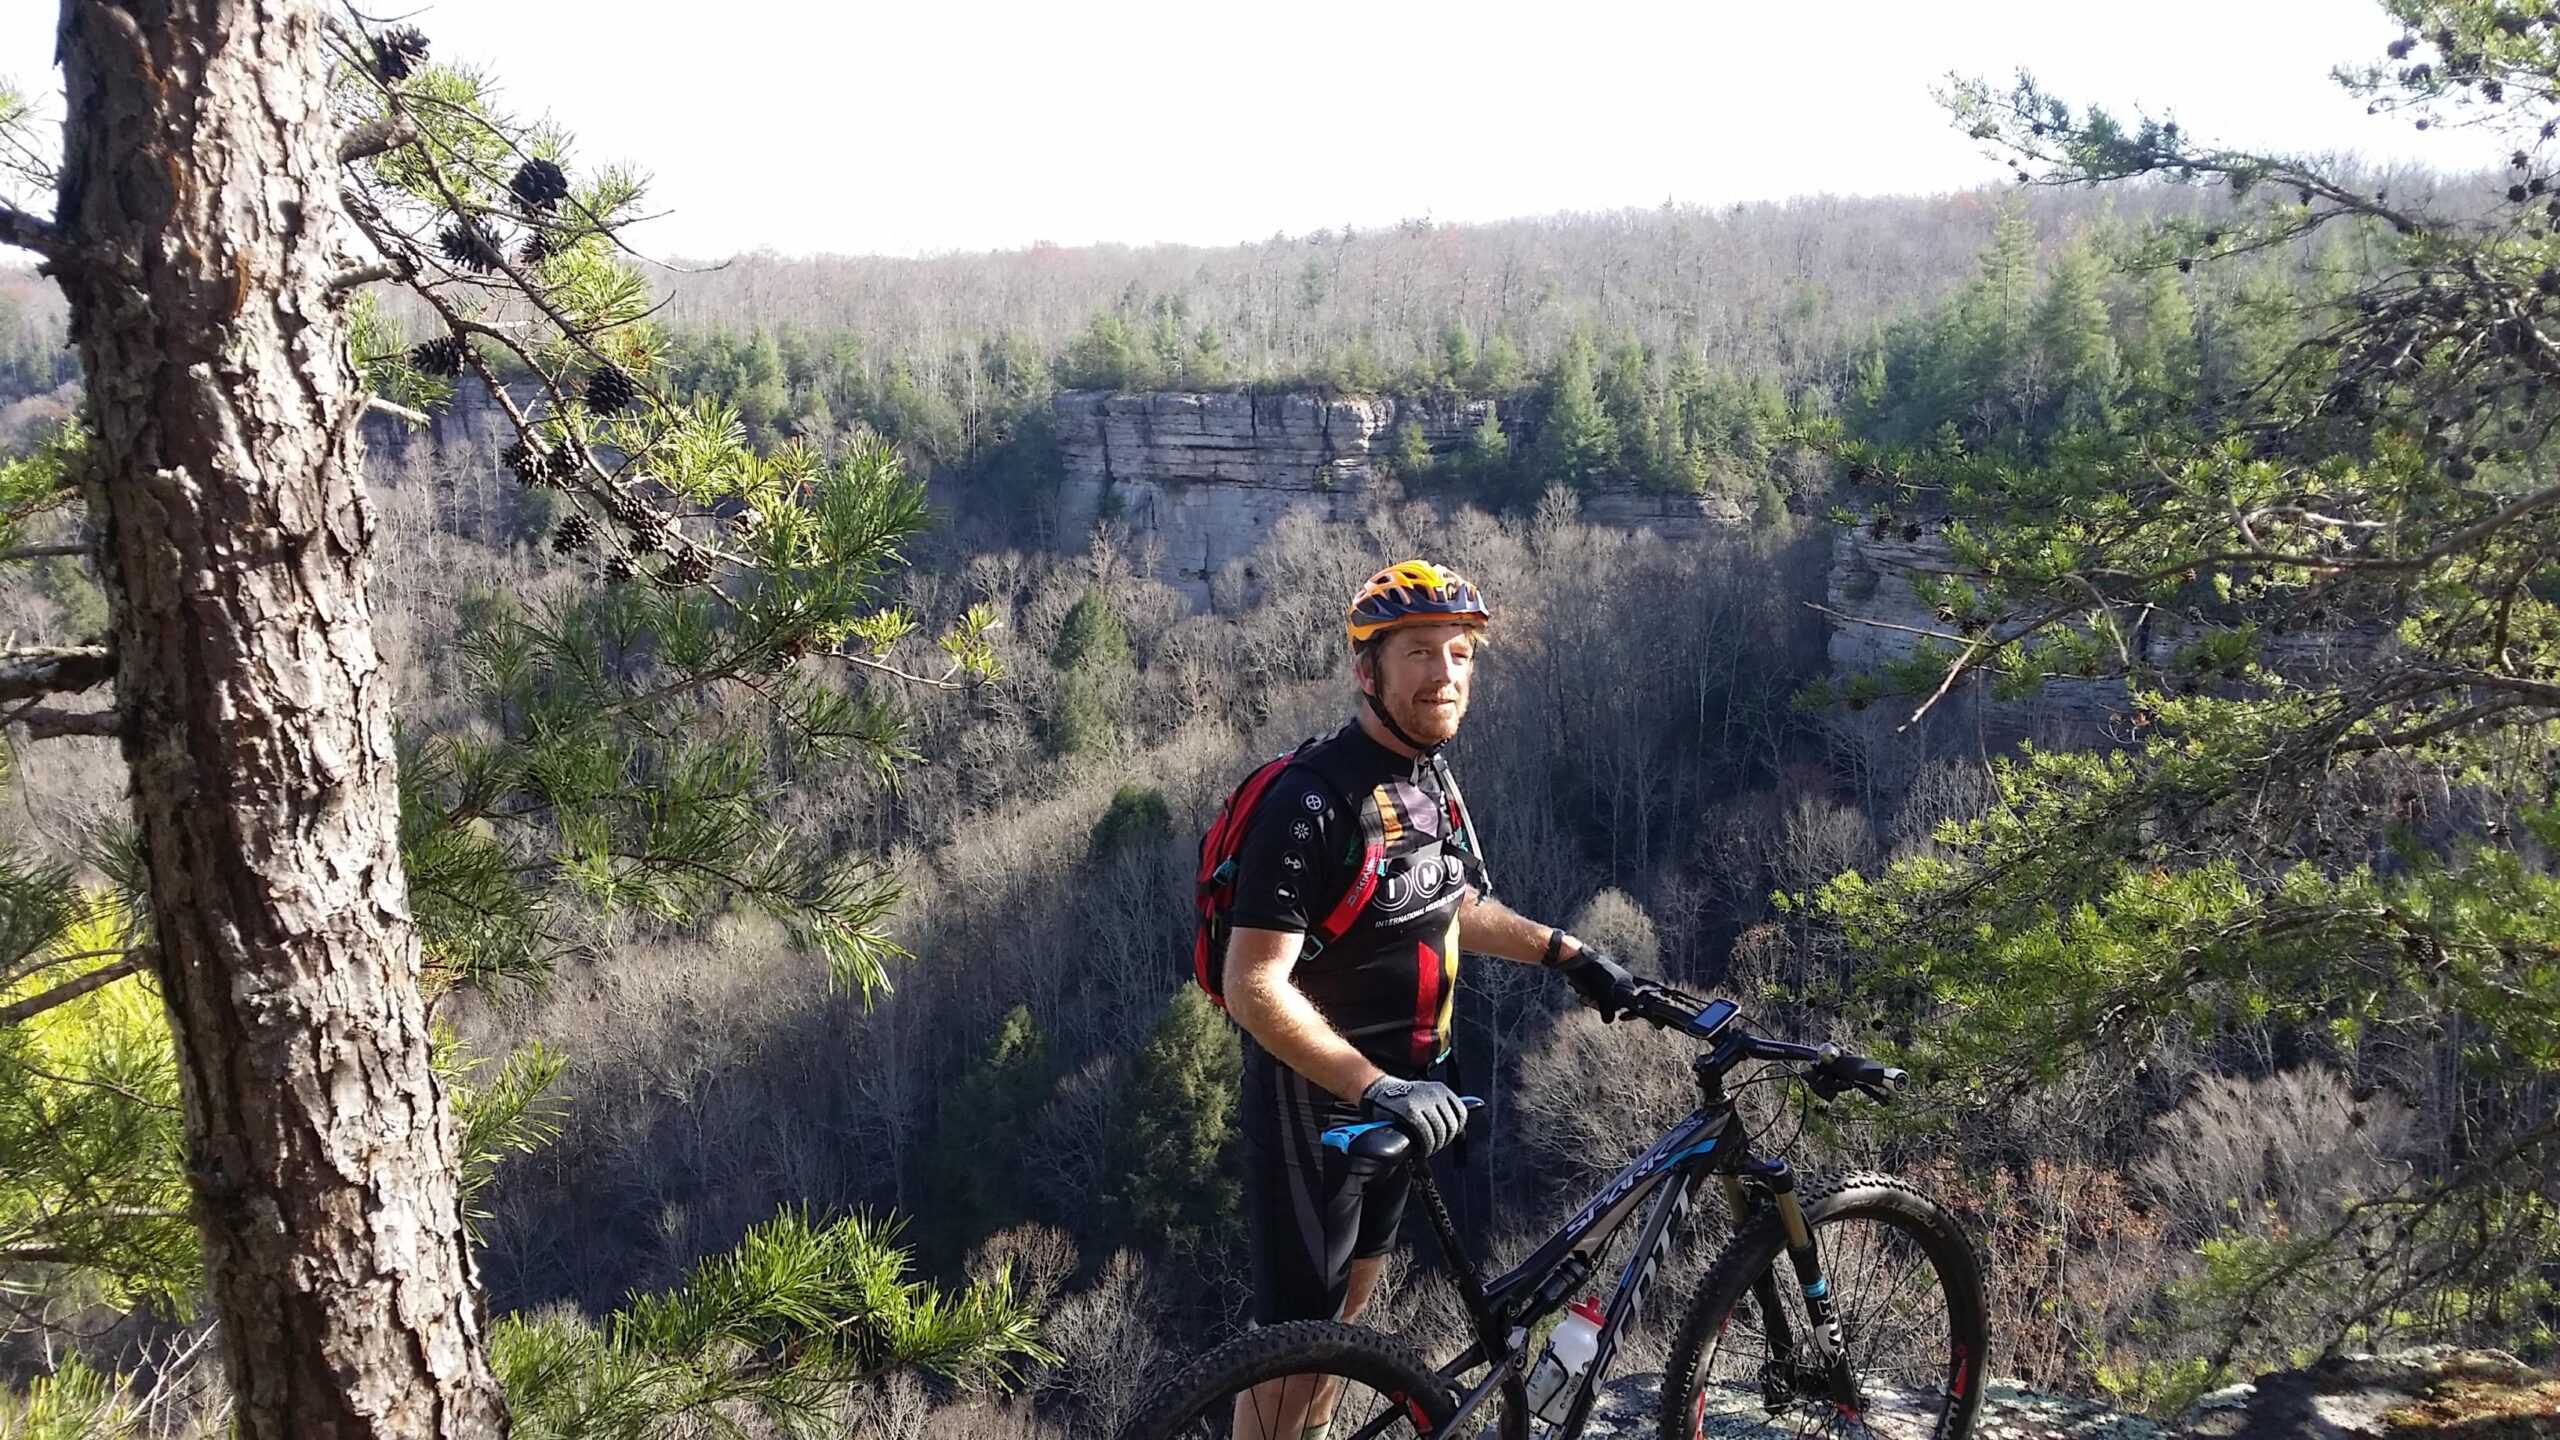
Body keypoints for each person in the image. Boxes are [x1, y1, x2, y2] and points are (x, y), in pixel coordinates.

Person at [1220, 559, 1643, 1437]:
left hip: (1406, 1107)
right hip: (1318, 1112)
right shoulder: (1313, 800)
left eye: (1460, 653)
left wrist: (1566, 952)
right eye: (1419, 652)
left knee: (1343, 1334)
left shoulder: (1425, 779)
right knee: (1294, 1358)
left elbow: (1446, 907)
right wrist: (1373, 1086)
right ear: (1365, 670)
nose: (1445, 673)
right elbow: (1251, 984)